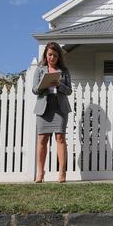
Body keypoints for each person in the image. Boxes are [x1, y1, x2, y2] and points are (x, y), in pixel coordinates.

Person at [32, 42, 72, 183]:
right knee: (42, 140)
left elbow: (69, 91)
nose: (52, 57)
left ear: (58, 56)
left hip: (60, 107)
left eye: (55, 55)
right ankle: (40, 173)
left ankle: (62, 172)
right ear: (45, 55)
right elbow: (34, 90)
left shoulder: (64, 71)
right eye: (49, 54)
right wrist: (44, 84)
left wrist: (59, 85)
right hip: (44, 108)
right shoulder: (40, 70)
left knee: (60, 138)